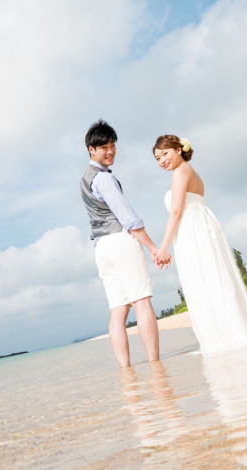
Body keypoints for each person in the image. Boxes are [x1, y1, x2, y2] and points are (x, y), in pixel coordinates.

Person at [152, 134, 247, 353]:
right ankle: (234, 331)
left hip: (192, 230)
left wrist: (164, 246)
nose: (162, 160)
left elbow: (176, 211)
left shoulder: (180, 172)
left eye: (165, 154)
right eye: (157, 158)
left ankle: (226, 338)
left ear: (178, 150)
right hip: (198, 225)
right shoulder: (190, 171)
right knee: (214, 276)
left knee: (205, 279)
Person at [80, 120, 168, 367]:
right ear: (91, 149)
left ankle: (126, 372)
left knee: (118, 311)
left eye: (112, 145)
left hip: (101, 247)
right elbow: (128, 218)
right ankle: (155, 365)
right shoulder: (104, 179)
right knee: (141, 302)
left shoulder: (84, 179)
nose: (110, 151)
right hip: (119, 241)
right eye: (103, 147)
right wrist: (153, 247)